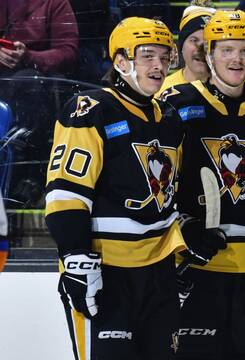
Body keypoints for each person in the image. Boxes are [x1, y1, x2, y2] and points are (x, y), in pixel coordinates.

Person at [45, 17, 195, 360]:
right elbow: (65, 195)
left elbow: (167, 198)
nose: (158, 66)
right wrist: (77, 260)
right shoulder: (90, 110)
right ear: (121, 61)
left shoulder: (170, 118)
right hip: (106, 271)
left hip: (158, 274)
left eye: (163, 56)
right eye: (147, 56)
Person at [160, 10, 245, 360]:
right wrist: (184, 226)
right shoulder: (177, 103)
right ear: (209, 54)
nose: (237, 59)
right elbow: (159, 180)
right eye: (227, 50)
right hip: (200, 264)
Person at [0, 0, 80, 208]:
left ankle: (28, 179)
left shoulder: (56, 3)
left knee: (28, 81)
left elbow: (68, 52)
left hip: (35, 80)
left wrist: (29, 56)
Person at [157, 1, 216, 94]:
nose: (201, 49)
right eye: (194, 40)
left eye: (207, 42)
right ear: (182, 47)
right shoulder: (161, 91)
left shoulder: (236, 90)